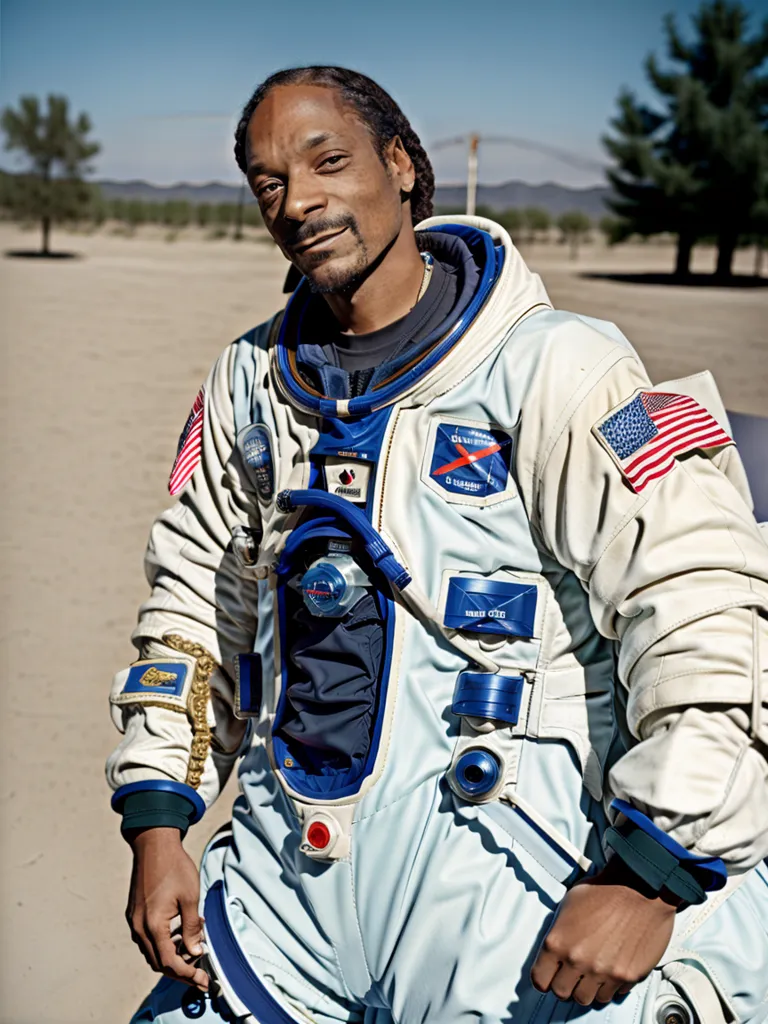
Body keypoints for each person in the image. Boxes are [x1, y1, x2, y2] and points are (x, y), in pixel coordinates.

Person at [107, 66, 768, 1024]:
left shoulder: (557, 368)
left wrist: (650, 877)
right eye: (269, 183)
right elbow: (193, 606)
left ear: (404, 166)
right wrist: (160, 823)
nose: (302, 202)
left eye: (328, 161)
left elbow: (704, 611)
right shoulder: (250, 389)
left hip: (517, 891)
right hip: (282, 887)